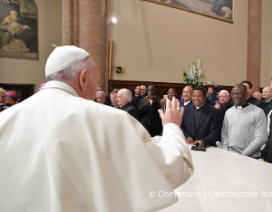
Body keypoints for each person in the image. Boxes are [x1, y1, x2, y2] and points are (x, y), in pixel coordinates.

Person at [0, 45, 193, 211]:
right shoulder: (110, 120)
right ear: (84, 78)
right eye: (96, 82)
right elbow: (173, 170)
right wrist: (172, 127)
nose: (96, 91)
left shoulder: (5, 119)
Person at [222, 84, 267, 158]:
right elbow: (225, 133)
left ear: (246, 94)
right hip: (230, 155)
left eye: (239, 94)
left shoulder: (258, 112)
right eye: (233, 94)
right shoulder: (229, 112)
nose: (235, 96)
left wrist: (243, 155)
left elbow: (261, 138)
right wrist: (226, 150)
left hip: (250, 156)